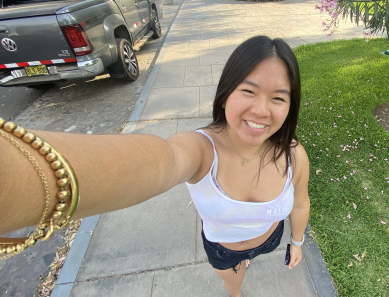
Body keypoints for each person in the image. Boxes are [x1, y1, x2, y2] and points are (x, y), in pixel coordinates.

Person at [0, 35, 310, 297]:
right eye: (249, 91)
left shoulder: (293, 155)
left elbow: (299, 204)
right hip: (224, 251)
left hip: (270, 238)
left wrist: (296, 242)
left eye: (278, 98)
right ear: (226, 92)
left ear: (290, 106)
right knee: (235, 283)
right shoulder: (201, 150)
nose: (260, 109)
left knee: (258, 251)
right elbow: (165, 160)